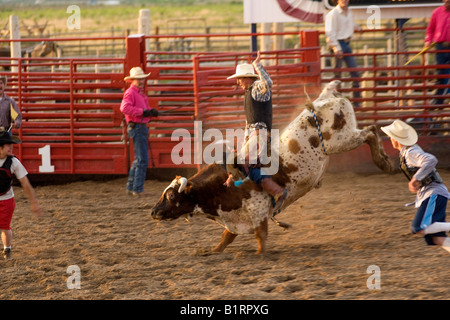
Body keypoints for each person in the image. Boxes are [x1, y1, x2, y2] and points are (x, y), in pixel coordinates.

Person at [225, 51, 287, 215]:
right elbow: (249, 121)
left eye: (240, 78)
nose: (238, 82)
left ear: (248, 77)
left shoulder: (257, 90)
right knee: (241, 163)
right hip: (255, 133)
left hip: (260, 133)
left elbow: (268, 83)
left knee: (240, 163)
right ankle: (268, 193)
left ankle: (275, 191)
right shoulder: (249, 92)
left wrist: (258, 66)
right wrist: (245, 139)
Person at [381, 120, 450, 247]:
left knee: (418, 228)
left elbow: (431, 159)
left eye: (391, 137)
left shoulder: (410, 153)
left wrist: (415, 178)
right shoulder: (408, 151)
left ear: (397, 139)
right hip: (434, 193)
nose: (390, 139)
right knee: (436, 238)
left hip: (433, 193)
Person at [0, 130, 41, 259]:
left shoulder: (14, 163)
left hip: (6, 199)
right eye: (8, 145)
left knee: (4, 227)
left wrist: (34, 202)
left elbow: (25, 183)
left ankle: (7, 249)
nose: (11, 147)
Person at [120, 67, 159, 197]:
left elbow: (142, 109)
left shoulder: (139, 93)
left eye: (142, 78)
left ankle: (131, 186)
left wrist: (150, 111)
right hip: (137, 126)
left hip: (139, 126)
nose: (141, 81)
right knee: (142, 159)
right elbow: (124, 108)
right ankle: (137, 189)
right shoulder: (131, 92)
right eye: (139, 79)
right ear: (133, 80)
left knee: (138, 159)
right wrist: (143, 112)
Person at [325, 0, 362, 107]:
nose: (344, 0)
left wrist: (357, 27)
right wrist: (336, 47)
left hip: (346, 43)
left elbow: (348, 24)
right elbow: (329, 32)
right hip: (338, 43)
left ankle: (356, 103)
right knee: (337, 76)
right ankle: (336, 103)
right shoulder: (333, 14)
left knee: (354, 73)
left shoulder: (348, 12)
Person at [424, 0, 450, 106]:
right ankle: (439, 101)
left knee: (446, 73)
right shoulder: (437, 12)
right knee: (441, 74)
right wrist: (427, 41)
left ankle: (441, 99)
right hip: (440, 47)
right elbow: (430, 29)